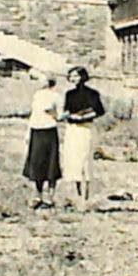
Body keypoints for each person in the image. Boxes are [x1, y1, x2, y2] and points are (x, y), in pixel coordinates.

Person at [60, 66, 105, 207]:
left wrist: (84, 117)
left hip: (86, 129)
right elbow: (67, 110)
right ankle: (79, 196)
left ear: (83, 77)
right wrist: (67, 116)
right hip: (73, 129)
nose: (74, 79)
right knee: (74, 162)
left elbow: (99, 111)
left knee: (86, 160)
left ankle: (86, 196)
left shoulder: (93, 94)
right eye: (71, 76)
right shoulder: (69, 94)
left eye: (76, 76)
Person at [23, 74, 62, 208]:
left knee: (51, 163)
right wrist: (28, 133)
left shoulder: (56, 96)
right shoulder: (37, 95)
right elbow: (33, 114)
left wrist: (53, 114)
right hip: (36, 130)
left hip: (49, 130)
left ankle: (50, 197)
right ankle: (37, 195)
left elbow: (61, 115)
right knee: (36, 162)